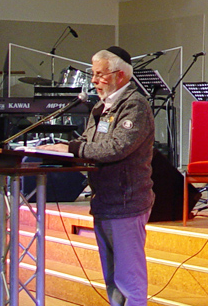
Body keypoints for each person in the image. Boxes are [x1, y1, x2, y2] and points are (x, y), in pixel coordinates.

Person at [40, 46, 155, 305]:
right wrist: (58, 147)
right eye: (93, 74)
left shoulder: (135, 105)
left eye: (100, 75)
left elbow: (116, 147)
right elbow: (88, 141)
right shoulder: (102, 107)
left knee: (129, 277)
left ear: (121, 75)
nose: (93, 81)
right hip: (104, 201)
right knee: (113, 279)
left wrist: (72, 148)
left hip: (126, 202)